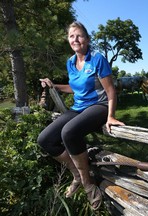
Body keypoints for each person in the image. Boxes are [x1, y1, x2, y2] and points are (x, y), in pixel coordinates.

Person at [37, 21, 125, 210]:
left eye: (79, 36)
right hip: (79, 107)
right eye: (71, 36)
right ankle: (76, 174)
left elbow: (110, 91)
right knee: (45, 139)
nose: (75, 39)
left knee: (69, 132)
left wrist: (110, 116)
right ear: (68, 40)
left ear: (87, 39)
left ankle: (87, 182)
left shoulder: (97, 59)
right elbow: (74, 87)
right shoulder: (71, 62)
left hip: (98, 106)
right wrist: (54, 85)